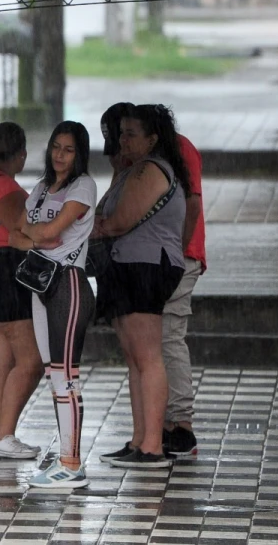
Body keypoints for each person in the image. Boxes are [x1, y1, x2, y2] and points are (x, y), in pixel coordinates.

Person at [93, 104, 189, 469]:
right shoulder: (132, 170)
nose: (123, 140)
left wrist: (102, 225)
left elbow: (115, 221)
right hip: (128, 265)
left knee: (147, 358)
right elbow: (103, 211)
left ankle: (152, 445)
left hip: (146, 266)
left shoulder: (151, 170)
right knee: (135, 359)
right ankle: (139, 439)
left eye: (132, 134)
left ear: (153, 139)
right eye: (121, 134)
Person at [13, 121, 98, 490]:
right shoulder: (42, 188)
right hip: (40, 284)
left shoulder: (84, 186)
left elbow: (45, 232)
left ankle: (72, 464)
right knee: (54, 375)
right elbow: (18, 231)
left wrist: (37, 234)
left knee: (67, 375)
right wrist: (38, 236)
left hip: (69, 285)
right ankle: (64, 457)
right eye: (56, 147)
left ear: (79, 154)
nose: (60, 155)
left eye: (69, 149)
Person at [0, 122, 45, 459]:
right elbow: (28, 231)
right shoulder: (10, 190)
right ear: (21, 155)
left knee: (3, 360)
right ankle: (5, 434)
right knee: (31, 362)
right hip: (8, 273)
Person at [161, 122, 206, 458]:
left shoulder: (178, 149)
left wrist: (179, 251)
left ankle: (182, 426)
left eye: (129, 133)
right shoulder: (151, 154)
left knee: (170, 338)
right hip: (164, 258)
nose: (122, 141)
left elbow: (192, 201)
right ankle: (164, 423)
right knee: (158, 341)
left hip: (180, 257)